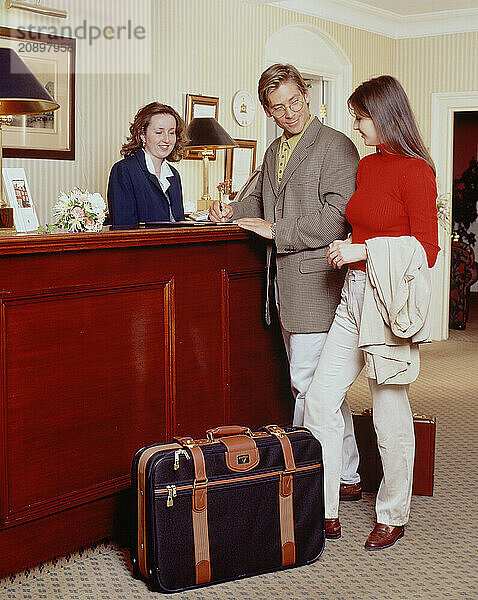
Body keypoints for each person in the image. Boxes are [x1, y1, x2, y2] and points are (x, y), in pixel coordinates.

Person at [209, 63, 362, 501]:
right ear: (268, 111)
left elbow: (337, 218)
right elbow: (256, 198)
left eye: (294, 102)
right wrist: (230, 215)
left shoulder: (336, 146)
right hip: (284, 288)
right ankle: (347, 472)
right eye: (278, 108)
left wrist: (277, 230)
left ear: (307, 96)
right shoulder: (274, 150)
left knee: (307, 384)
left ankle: (306, 481)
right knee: (319, 386)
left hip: (317, 285)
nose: (289, 113)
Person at [304, 75, 440, 548]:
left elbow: (426, 251)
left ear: (383, 116)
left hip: (387, 302)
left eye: (360, 116)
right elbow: (361, 225)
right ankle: (324, 508)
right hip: (353, 296)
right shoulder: (366, 166)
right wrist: (347, 245)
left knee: (388, 411)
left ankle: (393, 513)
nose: (356, 125)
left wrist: (363, 252)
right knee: (320, 400)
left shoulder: (418, 172)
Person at [107, 102, 187, 228]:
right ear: (142, 135)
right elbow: (124, 228)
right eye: (159, 132)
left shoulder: (174, 175)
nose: (167, 139)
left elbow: (179, 223)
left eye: (171, 133)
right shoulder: (124, 170)